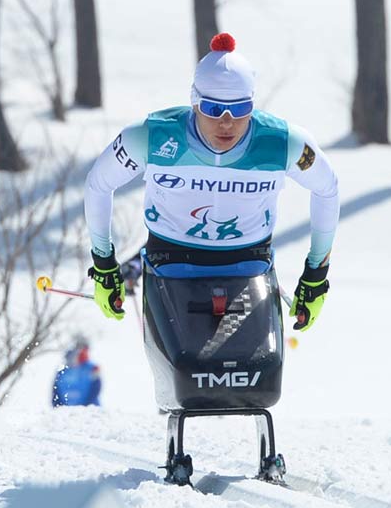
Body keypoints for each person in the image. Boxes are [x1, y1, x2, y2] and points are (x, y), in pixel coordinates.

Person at [84, 32, 339, 330]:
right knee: (185, 370)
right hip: (171, 262)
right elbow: (98, 184)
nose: (227, 122)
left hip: (249, 264)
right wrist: (104, 264)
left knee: (259, 371)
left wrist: (316, 275)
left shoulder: (283, 142)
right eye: (214, 109)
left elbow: (327, 189)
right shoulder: (152, 137)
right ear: (195, 102)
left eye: (241, 109)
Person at [51, 338, 101, 407]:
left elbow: (96, 388)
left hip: (89, 410)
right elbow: (55, 390)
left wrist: (88, 405)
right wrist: (57, 406)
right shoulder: (62, 370)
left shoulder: (92, 368)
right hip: (66, 411)